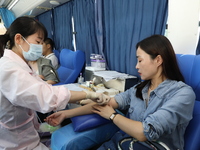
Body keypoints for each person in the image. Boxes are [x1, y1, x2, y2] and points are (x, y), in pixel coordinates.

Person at [45, 35, 196, 150]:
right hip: (123, 143)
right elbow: (104, 104)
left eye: (140, 60)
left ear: (158, 60)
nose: (136, 66)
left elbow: (145, 132)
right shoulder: (139, 88)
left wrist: (112, 116)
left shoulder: (182, 94)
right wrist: (66, 114)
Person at [0, 16, 110, 150]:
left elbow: (40, 87)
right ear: (18, 39)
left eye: (42, 43)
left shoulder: (19, 65)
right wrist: (87, 94)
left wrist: (68, 110)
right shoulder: (9, 69)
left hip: (23, 134)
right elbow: (45, 95)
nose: (40, 47)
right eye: (38, 41)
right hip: (16, 142)